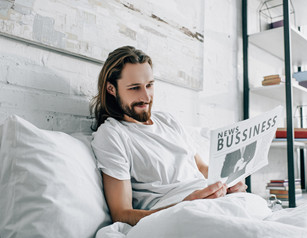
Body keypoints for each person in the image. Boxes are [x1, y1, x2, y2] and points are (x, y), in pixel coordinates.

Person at [90, 46, 247, 226]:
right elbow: (121, 214)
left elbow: (202, 168)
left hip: (214, 202)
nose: (146, 96)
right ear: (111, 89)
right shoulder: (112, 134)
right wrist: (183, 205)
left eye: (149, 85)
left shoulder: (168, 120)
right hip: (178, 215)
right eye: (134, 88)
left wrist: (229, 182)